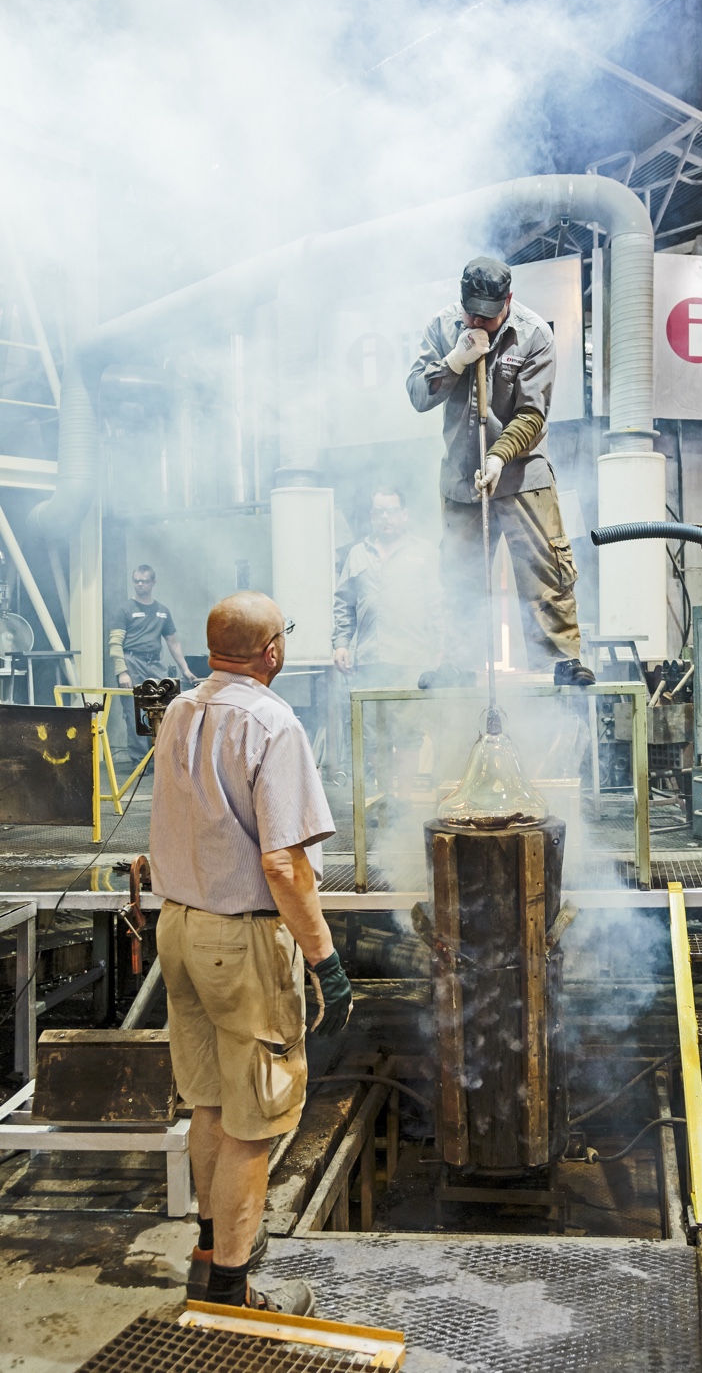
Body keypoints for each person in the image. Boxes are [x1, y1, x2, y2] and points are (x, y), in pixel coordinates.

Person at [149, 591, 352, 1313]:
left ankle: (207, 1257)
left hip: (178, 926)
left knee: (208, 1100)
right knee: (256, 1118)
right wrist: (325, 958)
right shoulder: (271, 721)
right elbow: (284, 865)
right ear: (272, 652)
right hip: (239, 943)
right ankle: (234, 1297)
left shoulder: (178, 710)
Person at [406, 256, 594, 687]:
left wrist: (498, 456)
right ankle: (457, 663)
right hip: (460, 478)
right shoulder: (442, 327)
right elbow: (418, 394)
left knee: (546, 567)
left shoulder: (535, 336)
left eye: (487, 316)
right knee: (459, 575)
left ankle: (562, 660)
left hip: (522, 474)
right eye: (471, 310)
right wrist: (454, 361)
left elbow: (532, 415)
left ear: (508, 301)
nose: (477, 320)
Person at [333, 486, 442, 796]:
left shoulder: (423, 553)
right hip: (369, 659)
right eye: (379, 511)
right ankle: (386, 799)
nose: (385, 517)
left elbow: (437, 605)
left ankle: (403, 801)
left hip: (412, 659)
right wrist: (341, 642)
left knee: (408, 735)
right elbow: (344, 603)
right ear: (372, 516)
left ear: (403, 515)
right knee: (373, 737)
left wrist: (440, 651)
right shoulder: (357, 554)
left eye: (391, 510)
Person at [108, 564, 198, 767]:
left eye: (144, 581)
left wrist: (185, 669)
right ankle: (140, 762)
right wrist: (122, 672)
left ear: (153, 582)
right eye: (136, 581)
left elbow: (173, 642)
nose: (139, 584)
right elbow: (115, 644)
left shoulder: (162, 611)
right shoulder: (124, 610)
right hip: (132, 663)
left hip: (155, 663)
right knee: (134, 713)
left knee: (164, 709)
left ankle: (163, 758)